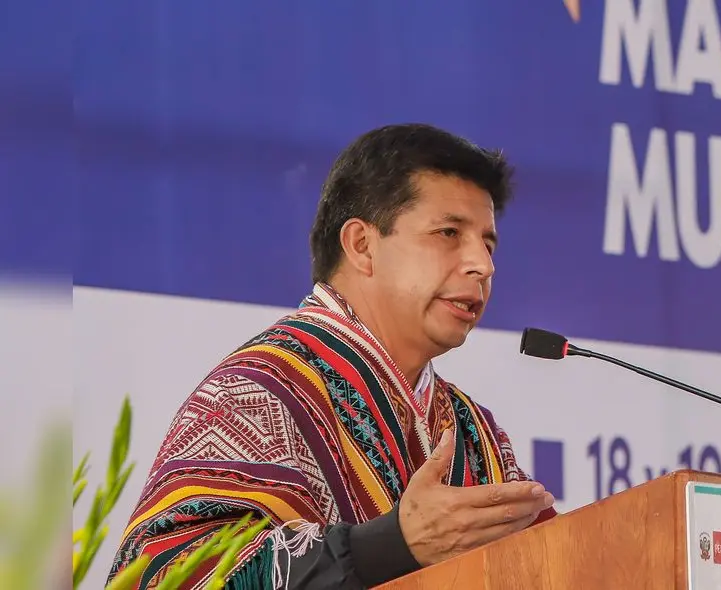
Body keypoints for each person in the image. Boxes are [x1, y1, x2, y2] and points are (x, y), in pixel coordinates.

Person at [107, 124, 558, 589]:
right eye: (448, 232)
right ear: (362, 246)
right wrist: (392, 546)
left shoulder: (474, 430)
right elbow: (162, 576)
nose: (483, 265)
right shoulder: (256, 391)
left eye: (488, 242)